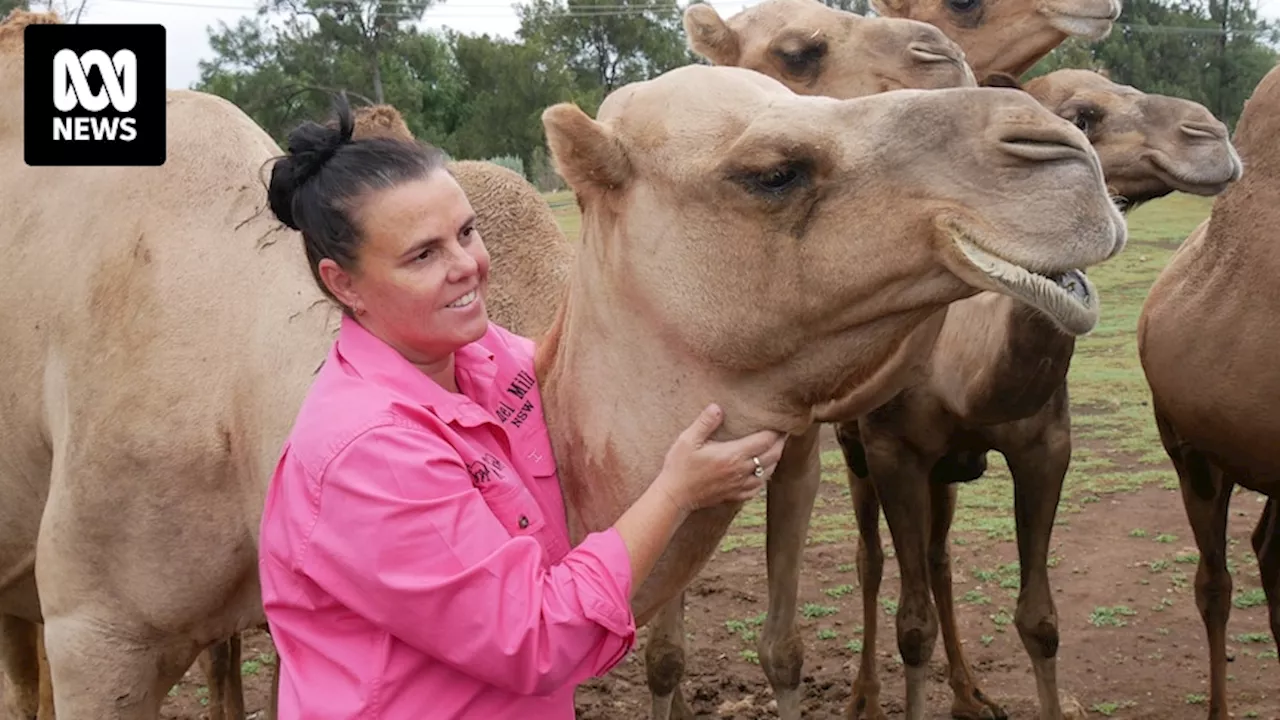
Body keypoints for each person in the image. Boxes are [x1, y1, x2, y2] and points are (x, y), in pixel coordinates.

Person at [256, 93, 788, 720]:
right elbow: (533, 638)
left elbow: (574, 378)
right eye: (423, 255)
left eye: (466, 233)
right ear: (343, 283)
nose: (468, 267)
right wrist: (677, 492)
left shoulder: (484, 358)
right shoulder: (370, 452)